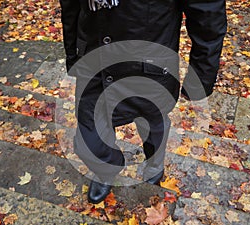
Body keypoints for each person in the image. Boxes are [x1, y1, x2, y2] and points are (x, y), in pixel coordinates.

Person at [59, 0, 227, 204]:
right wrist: (73, 54)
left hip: (149, 62)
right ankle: (105, 170)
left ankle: (154, 167)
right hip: (94, 55)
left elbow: (207, 18)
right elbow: (70, 4)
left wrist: (199, 79)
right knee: (89, 133)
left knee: (152, 122)